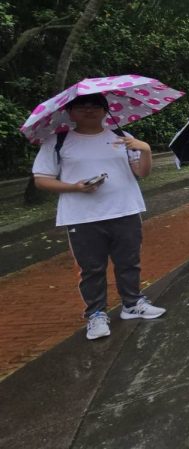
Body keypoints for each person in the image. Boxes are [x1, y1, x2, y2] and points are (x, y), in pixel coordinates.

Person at [32, 93, 165, 341]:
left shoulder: (121, 137)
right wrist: (75, 187)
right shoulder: (58, 141)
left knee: (129, 261)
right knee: (91, 268)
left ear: (106, 110)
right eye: (82, 106)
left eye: (96, 105)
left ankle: (132, 303)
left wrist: (145, 150)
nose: (89, 110)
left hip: (125, 209)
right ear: (70, 112)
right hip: (82, 216)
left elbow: (142, 173)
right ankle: (95, 314)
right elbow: (41, 179)